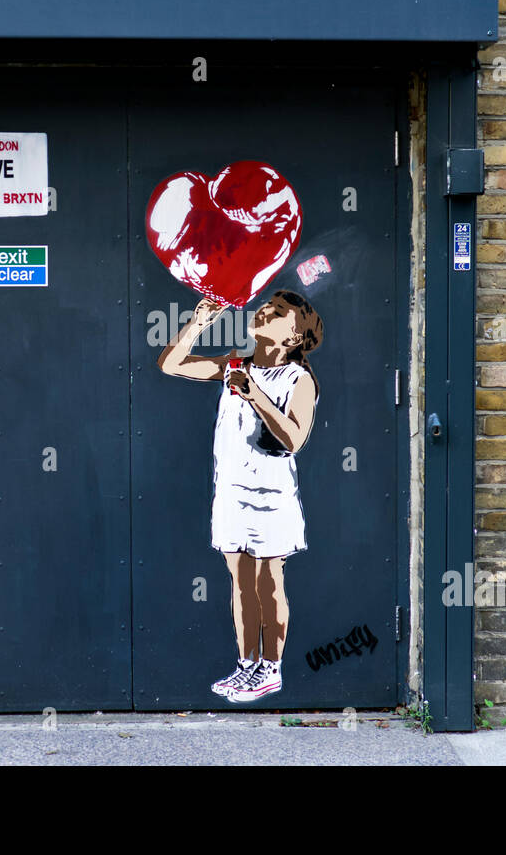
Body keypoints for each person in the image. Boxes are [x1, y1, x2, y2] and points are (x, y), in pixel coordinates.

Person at [156, 290, 324, 702]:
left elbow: (294, 439)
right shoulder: (235, 365)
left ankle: (271, 668)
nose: (265, 311)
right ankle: (246, 665)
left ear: (294, 338)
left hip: (272, 495)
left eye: (279, 312)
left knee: (269, 582)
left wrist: (254, 394)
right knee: (241, 583)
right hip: (231, 492)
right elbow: (172, 364)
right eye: (267, 306)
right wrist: (199, 322)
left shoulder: (298, 379)